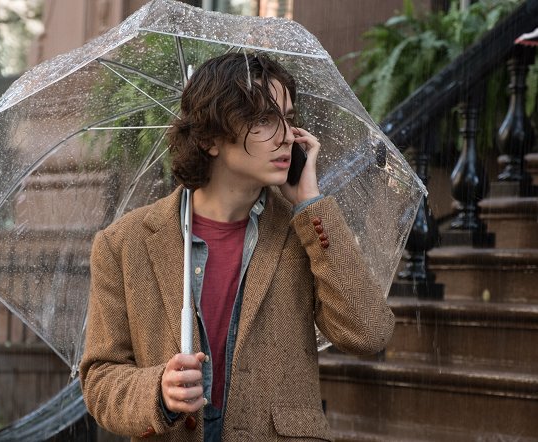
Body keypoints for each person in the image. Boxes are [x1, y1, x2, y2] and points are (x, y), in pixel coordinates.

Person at [79, 53, 395, 441]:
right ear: (210, 139)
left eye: (289, 118)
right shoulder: (122, 244)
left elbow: (368, 333)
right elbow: (99, 379)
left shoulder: (305, 230)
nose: (285, 136)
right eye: (263, 119)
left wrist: (310, 202)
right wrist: (157, 391)